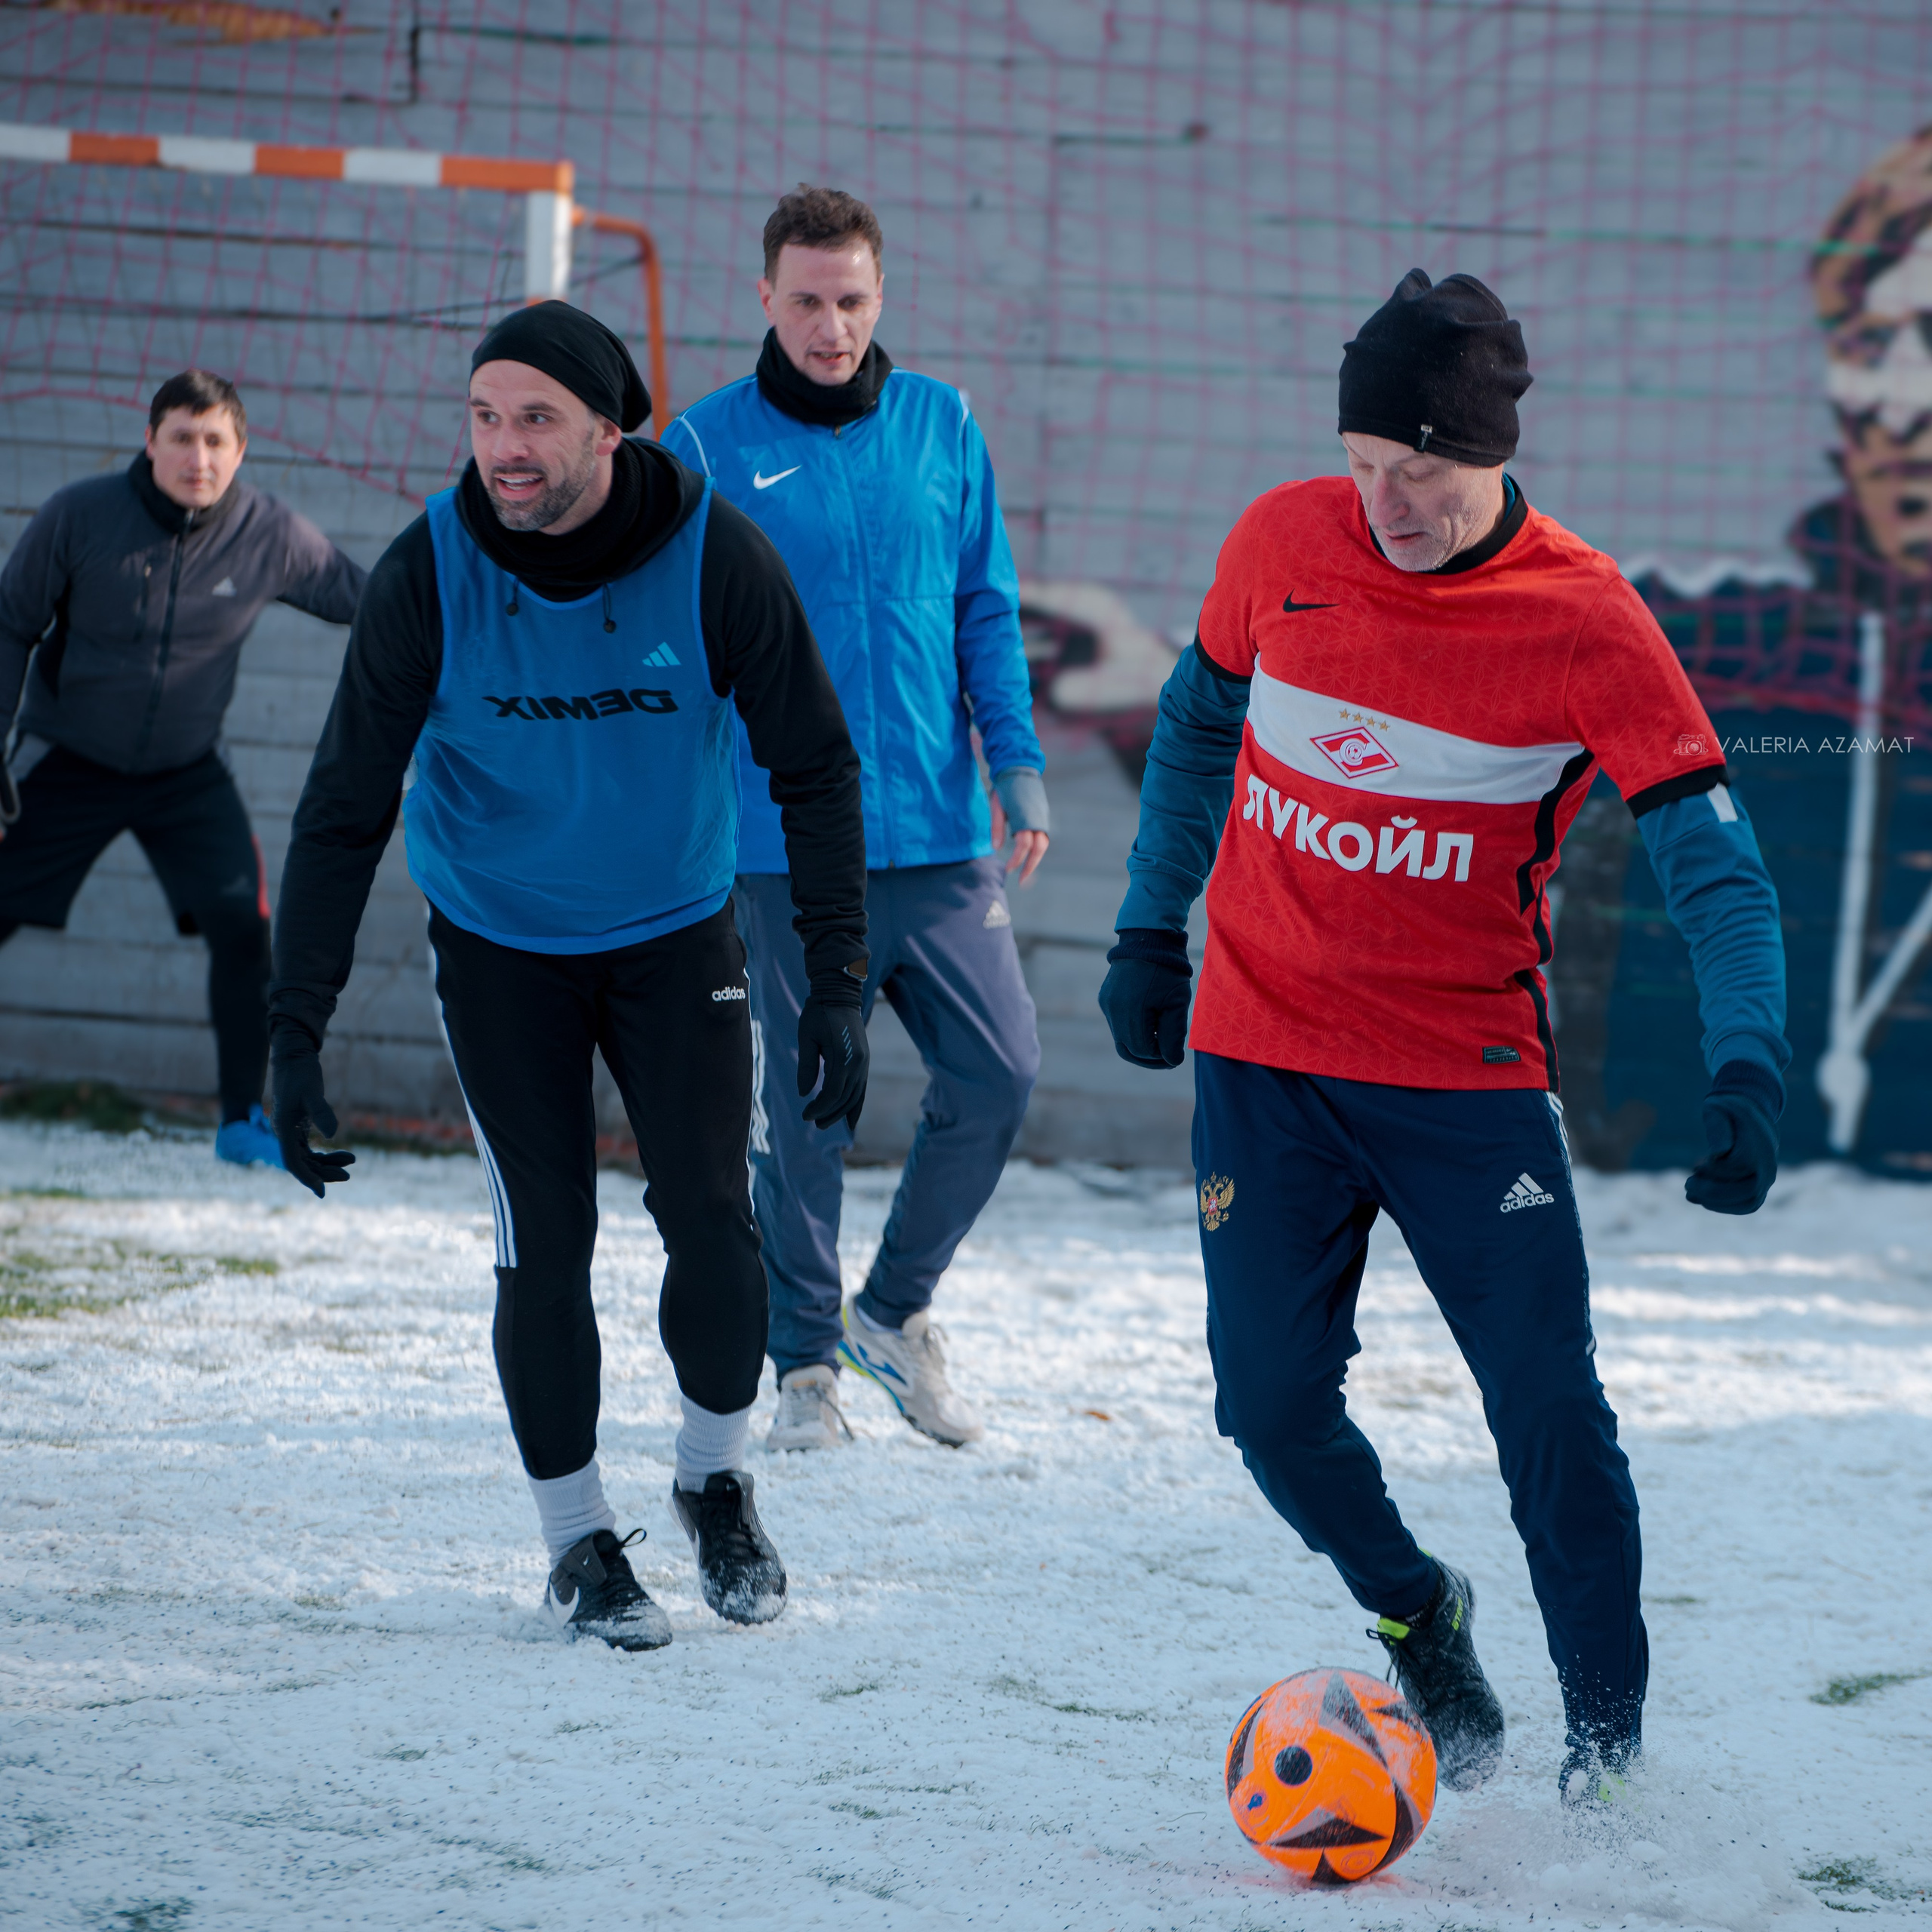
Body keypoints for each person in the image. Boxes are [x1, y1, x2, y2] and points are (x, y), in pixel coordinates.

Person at [1098, 270, 1789, 1808]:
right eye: (1361, 461)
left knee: (1546, 1408)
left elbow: (1716, 869)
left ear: (1489, 455)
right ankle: (1417, 1610)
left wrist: (1743, 1065)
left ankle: (1602, 1747)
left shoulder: (1583, 618)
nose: (1384, 500)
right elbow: (1202, 720)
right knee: (1266, 1408)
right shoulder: (1280, 539)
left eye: (1420, 469)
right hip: (1261, 1052)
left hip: (1462, 1080)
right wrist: (1152, 922)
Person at [266, 302, 869, 1650]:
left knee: (715, 1222)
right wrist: (291, 1023)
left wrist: (837, 976)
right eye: (485, 416)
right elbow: (341, 804)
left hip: (672, 932)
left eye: (536, 418)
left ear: (609, 426)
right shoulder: (430, 570)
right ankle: (577, 1545)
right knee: (546, 1245)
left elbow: (816, 764)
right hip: (500, 946)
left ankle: (716, 1484)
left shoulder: (716, 555)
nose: (504, 448)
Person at [663, 186, 1047, 1454]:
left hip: (940, 832)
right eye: (807, 301)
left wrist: (1018, 765)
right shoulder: (705, 450)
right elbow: (678, 643)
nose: (831, 326)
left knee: (999, 1076)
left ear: (881, 298)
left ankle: (891, 1314)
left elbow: (984, 605)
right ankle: (804, 1367)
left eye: (853, 301)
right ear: (765, 301)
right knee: (811, 1106)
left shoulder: (944, 425)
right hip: (784, 845)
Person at [0, 370, 365, 1164]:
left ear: (239, 452)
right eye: (181, 437)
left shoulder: (273, 535)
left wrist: (469, 611)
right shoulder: (78, 516)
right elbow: (10, 624)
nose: (197, 457)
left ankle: (242, 1123)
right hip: (66, 757)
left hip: (185, 770)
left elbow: (368, 601)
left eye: (214, 441)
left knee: (244, 928)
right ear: (150, 440)